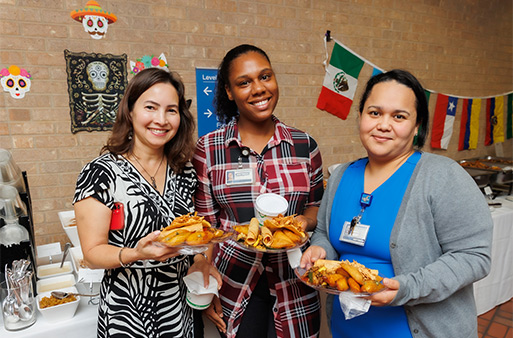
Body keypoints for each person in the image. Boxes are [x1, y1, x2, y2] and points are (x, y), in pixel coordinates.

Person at [300, 69, 493, 337]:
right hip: (348, 328)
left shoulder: (442, 176)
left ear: (417, 126)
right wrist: (320, 251)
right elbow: (324, 233)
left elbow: (474, 257)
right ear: (360, 117)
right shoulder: (340, 176)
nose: (383, 124)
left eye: (399, 116)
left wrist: (407, 288)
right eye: (374, 113)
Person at [73, 67, 219, 337]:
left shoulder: (185, 171)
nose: (161, 120)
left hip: (180, 312)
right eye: (150, 107)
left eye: (171, 110)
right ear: (130, 110)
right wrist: (136, 254)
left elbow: (198, 235)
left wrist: (201, 260)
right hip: (127, 313)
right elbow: (92, 254)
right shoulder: (101, 172)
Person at [193, 44, 324, 338]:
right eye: (244, 82)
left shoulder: (305, 146)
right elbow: (205, 225)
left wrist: (302, 222)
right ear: (228, 91)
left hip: (295, 284)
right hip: (233, 284)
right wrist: (206, 282)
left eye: (265, 77)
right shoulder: (209, 149)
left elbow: (315, 207)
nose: (259, 89)